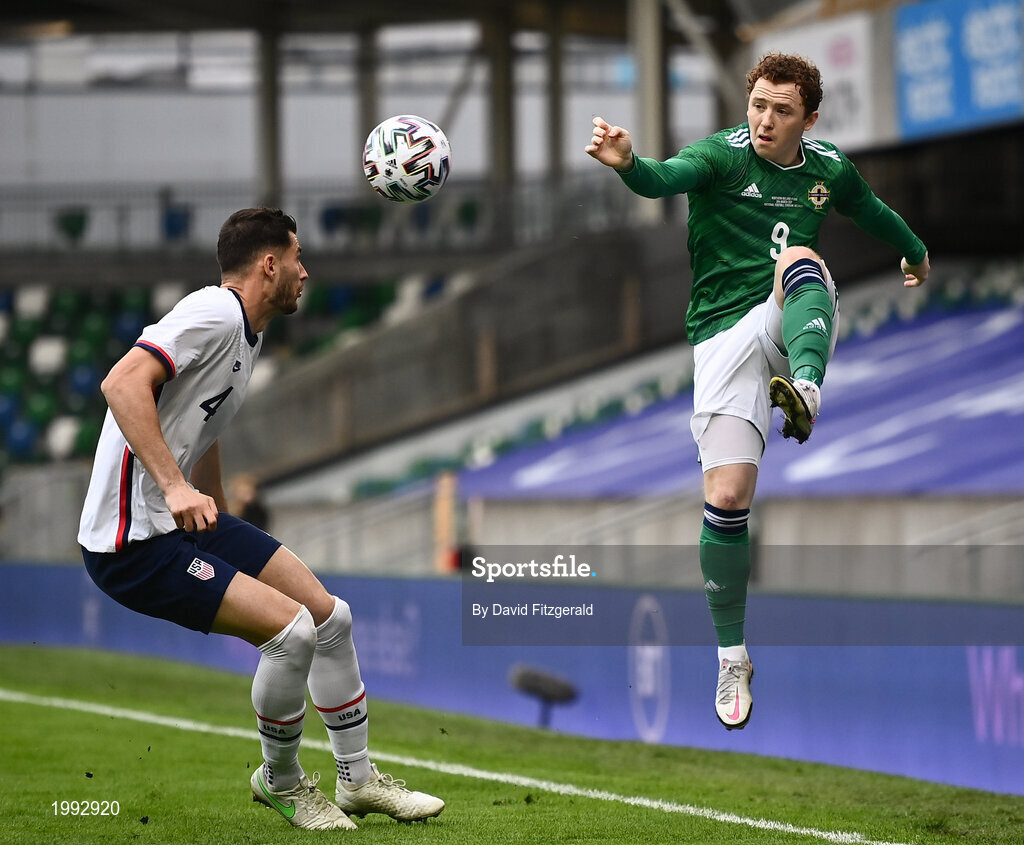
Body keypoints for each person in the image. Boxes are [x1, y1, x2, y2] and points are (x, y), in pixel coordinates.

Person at [586, 53, 929, 730]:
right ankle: (731, 656)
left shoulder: (828, 169)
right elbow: (664, 179)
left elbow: (873, 210)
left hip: (785, 316)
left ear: (811, 119)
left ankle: (806, 389)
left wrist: (915, 251)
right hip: (719, 344)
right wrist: (628, 163)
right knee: (726, 498)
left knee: (801, 260)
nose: (766, 121)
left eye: (782, 111)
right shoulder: (721, 156)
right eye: (758, 106)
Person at [77, 208, 444, 829]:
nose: (306, 271)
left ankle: (357, 782)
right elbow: (121, 384)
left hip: (183, 522)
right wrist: (174, 486)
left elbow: (200, 414)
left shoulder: (246, 334)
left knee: (331, 619)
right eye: (298, 257)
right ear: (269, 264)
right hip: (130, 542)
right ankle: (282, 781)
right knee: (291, 632)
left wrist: (212, 504)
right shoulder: (215, 312)